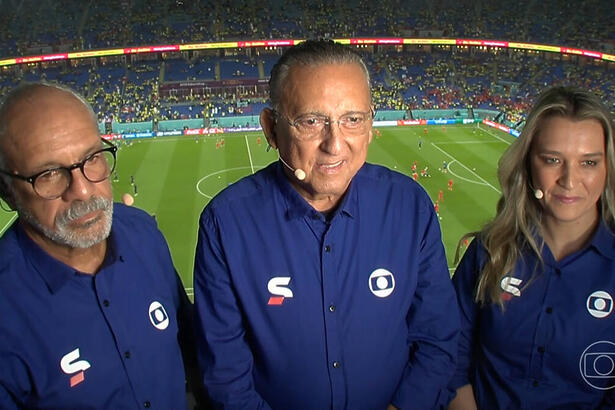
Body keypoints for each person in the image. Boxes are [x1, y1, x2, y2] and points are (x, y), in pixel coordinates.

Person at [193, 39, 459, 410]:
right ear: (271, 128)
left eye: (352, 119)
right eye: (311, 121)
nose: (335, 144)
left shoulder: (410, 207)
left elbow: (438, 338)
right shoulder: (225, 225)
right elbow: (225, 375)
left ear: (370, 124)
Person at [0, 83, 206, 409]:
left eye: (92, 157)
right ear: (8, 191)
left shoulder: (143, 233)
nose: (82, 191)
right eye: (50, 173)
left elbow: (190, 346)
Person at [448, 86, 615, 409]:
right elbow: (451, 355)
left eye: (589, 163)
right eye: (552, 160)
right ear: (528, 164)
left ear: (607, 169)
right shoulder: (489, 251)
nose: (569, 179)